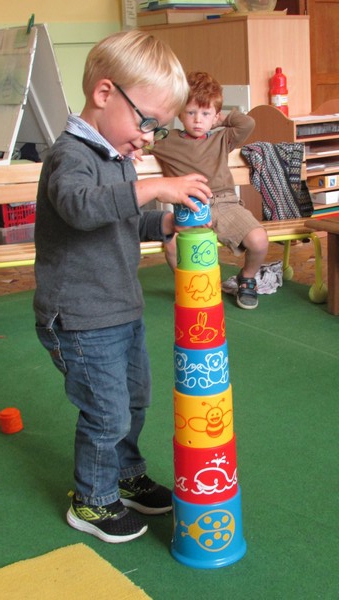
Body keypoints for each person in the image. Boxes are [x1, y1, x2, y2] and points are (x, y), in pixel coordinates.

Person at [33, 30, 211, 544]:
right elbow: (82, 208)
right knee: (106, 410)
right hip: (80, 317)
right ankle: (92, 500)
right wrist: (154, 185)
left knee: (133, 401)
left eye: (157, 127)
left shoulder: (114, 158)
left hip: (119, 309)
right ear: (105, 94)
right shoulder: (72, 156)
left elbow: (120, 222)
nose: (148, 137)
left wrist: (162, 224)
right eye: (147, 121)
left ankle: (126, 476)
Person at [151, 71, 269, 310]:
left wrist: (220, 119)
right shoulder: (166, 141)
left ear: (214, 116)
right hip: (190, 207)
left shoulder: (222, 138)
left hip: (224, 203)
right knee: (173, 245)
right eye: (191, 112)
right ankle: (190, 284)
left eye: (205, 114)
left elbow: (248, 123)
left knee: (259, 239)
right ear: (180, 113)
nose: (197, 120)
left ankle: (246, 278)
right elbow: (139, 142)